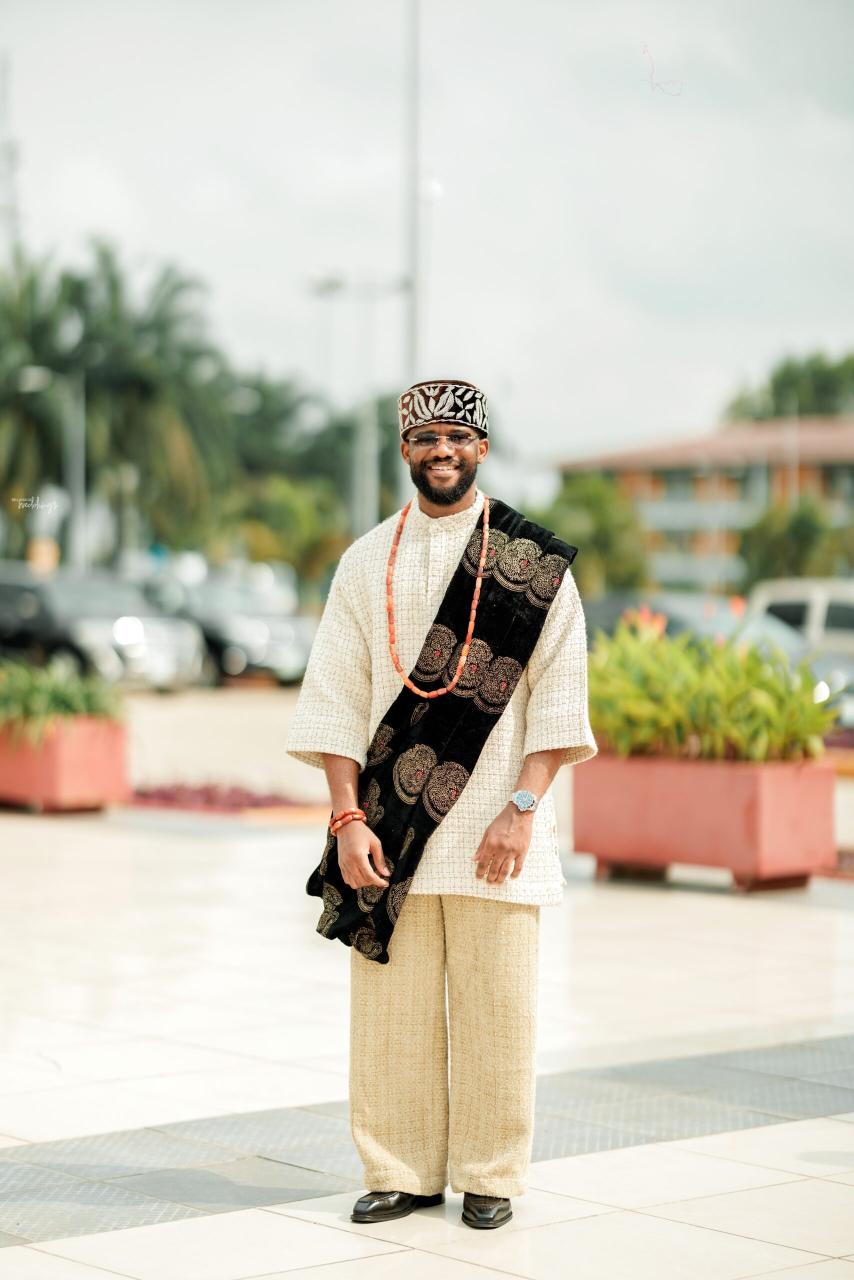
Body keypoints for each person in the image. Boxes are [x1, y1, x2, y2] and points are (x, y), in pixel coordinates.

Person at [286, 378, 597, 1230]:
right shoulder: (364, 562)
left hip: (502, 828)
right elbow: (335, 702)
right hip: (390, 831)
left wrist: (522, 809)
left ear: (481, 448)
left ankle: (491, 1174)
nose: (443, 450)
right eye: (426, 438)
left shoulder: (533, 564)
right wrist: (347, 819)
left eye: (458, 435)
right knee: (391, 1016)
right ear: (405, 451)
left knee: (500, 1010)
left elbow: (560, 698)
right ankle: (400, 1170)